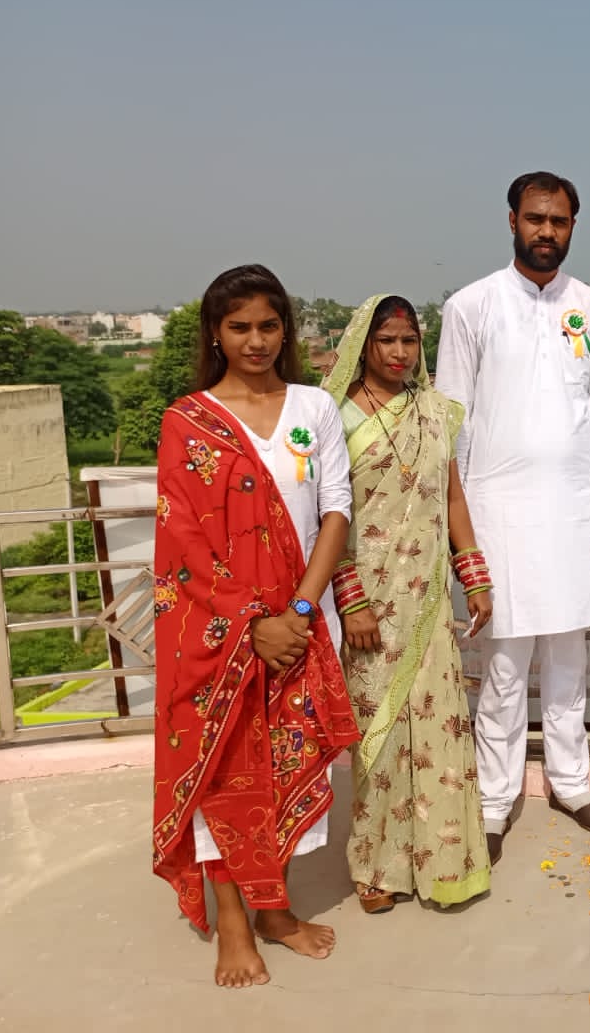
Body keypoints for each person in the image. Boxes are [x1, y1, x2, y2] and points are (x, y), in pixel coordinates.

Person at [151, 264, 359, 988]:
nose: (255, 340)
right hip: (220, 636)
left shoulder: (314, 406)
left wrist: (298, 612)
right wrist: (253, 624)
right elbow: (183, 543)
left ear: (286, 330)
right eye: (239, 327)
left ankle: (276, 910)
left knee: (284, 770)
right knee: (226, 773)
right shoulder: (189, 421)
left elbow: (336, 510)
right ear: (215, 333)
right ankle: (234, 924)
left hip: (302, 626)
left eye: (269, 325)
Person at [436, 171, 590, 863]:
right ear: (512, 221)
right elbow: (451, 422)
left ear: (572, 226)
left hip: (578, 511)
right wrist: (457, 527)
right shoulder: (470, 306)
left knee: (569, 659)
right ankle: (493, 800)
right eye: (535, 218)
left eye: (558, 220)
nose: (546, 231)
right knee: (502, 667)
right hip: (498, 515)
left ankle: (570, 784)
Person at [323, 295, 493, 913]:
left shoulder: (435, 413)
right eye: (387, 340)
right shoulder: (335, 416)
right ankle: (377, 868)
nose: (399, 353)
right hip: (368, 601)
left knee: (440, 726)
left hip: (427, 600)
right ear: (362, 345)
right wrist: (350, 599)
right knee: (380, 735)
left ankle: (446, 863)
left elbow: (452, 499)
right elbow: (327, 513)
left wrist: (473, 574)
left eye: (410, 341)